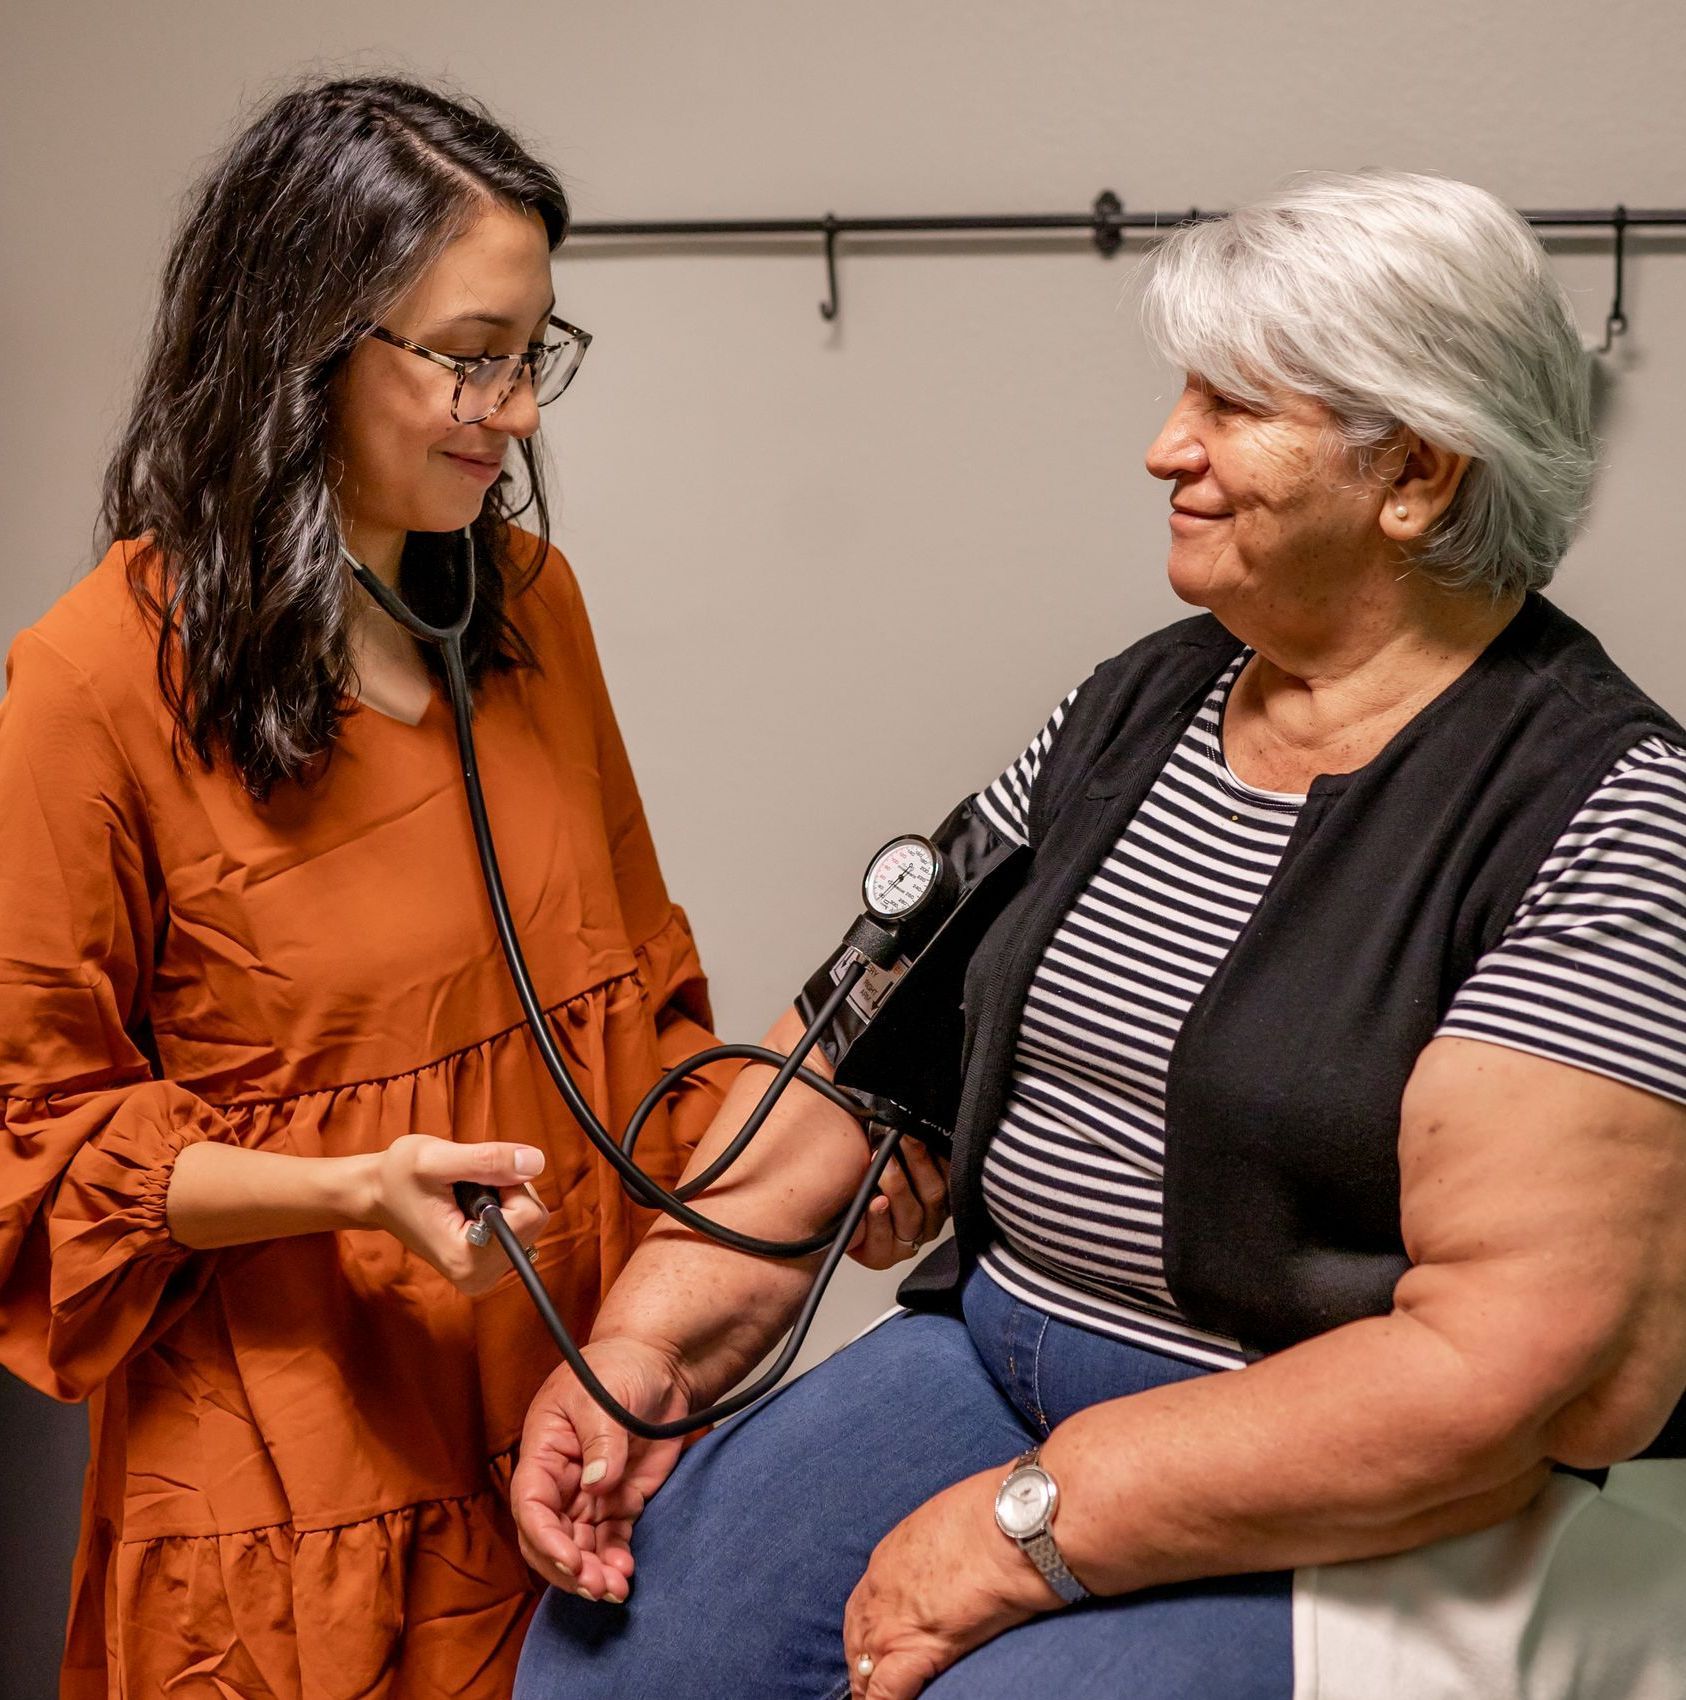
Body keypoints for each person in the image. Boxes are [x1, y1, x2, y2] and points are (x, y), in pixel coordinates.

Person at [510, 171, 1686, 1700]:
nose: (1164, 449)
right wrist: (650, 1343)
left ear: (1414, 474)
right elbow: (858, 1051)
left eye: (1234, 407)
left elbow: (1491, 1375)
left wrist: (1027, 1532)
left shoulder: (1605, 813)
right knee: (619, 1665)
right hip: (997, 1354)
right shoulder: (1134, 704)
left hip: (1348, 1480)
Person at [0, 76, 941, 1698]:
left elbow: (638, 1020)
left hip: (564, 1428)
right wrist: (347, 1188)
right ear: (300, 341)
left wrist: (819, 1171)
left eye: (534, 354)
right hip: (290, 1486)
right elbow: (35, 1150)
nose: (511, 411)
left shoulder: (526, 603)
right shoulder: (94, 680)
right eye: (467, 354)